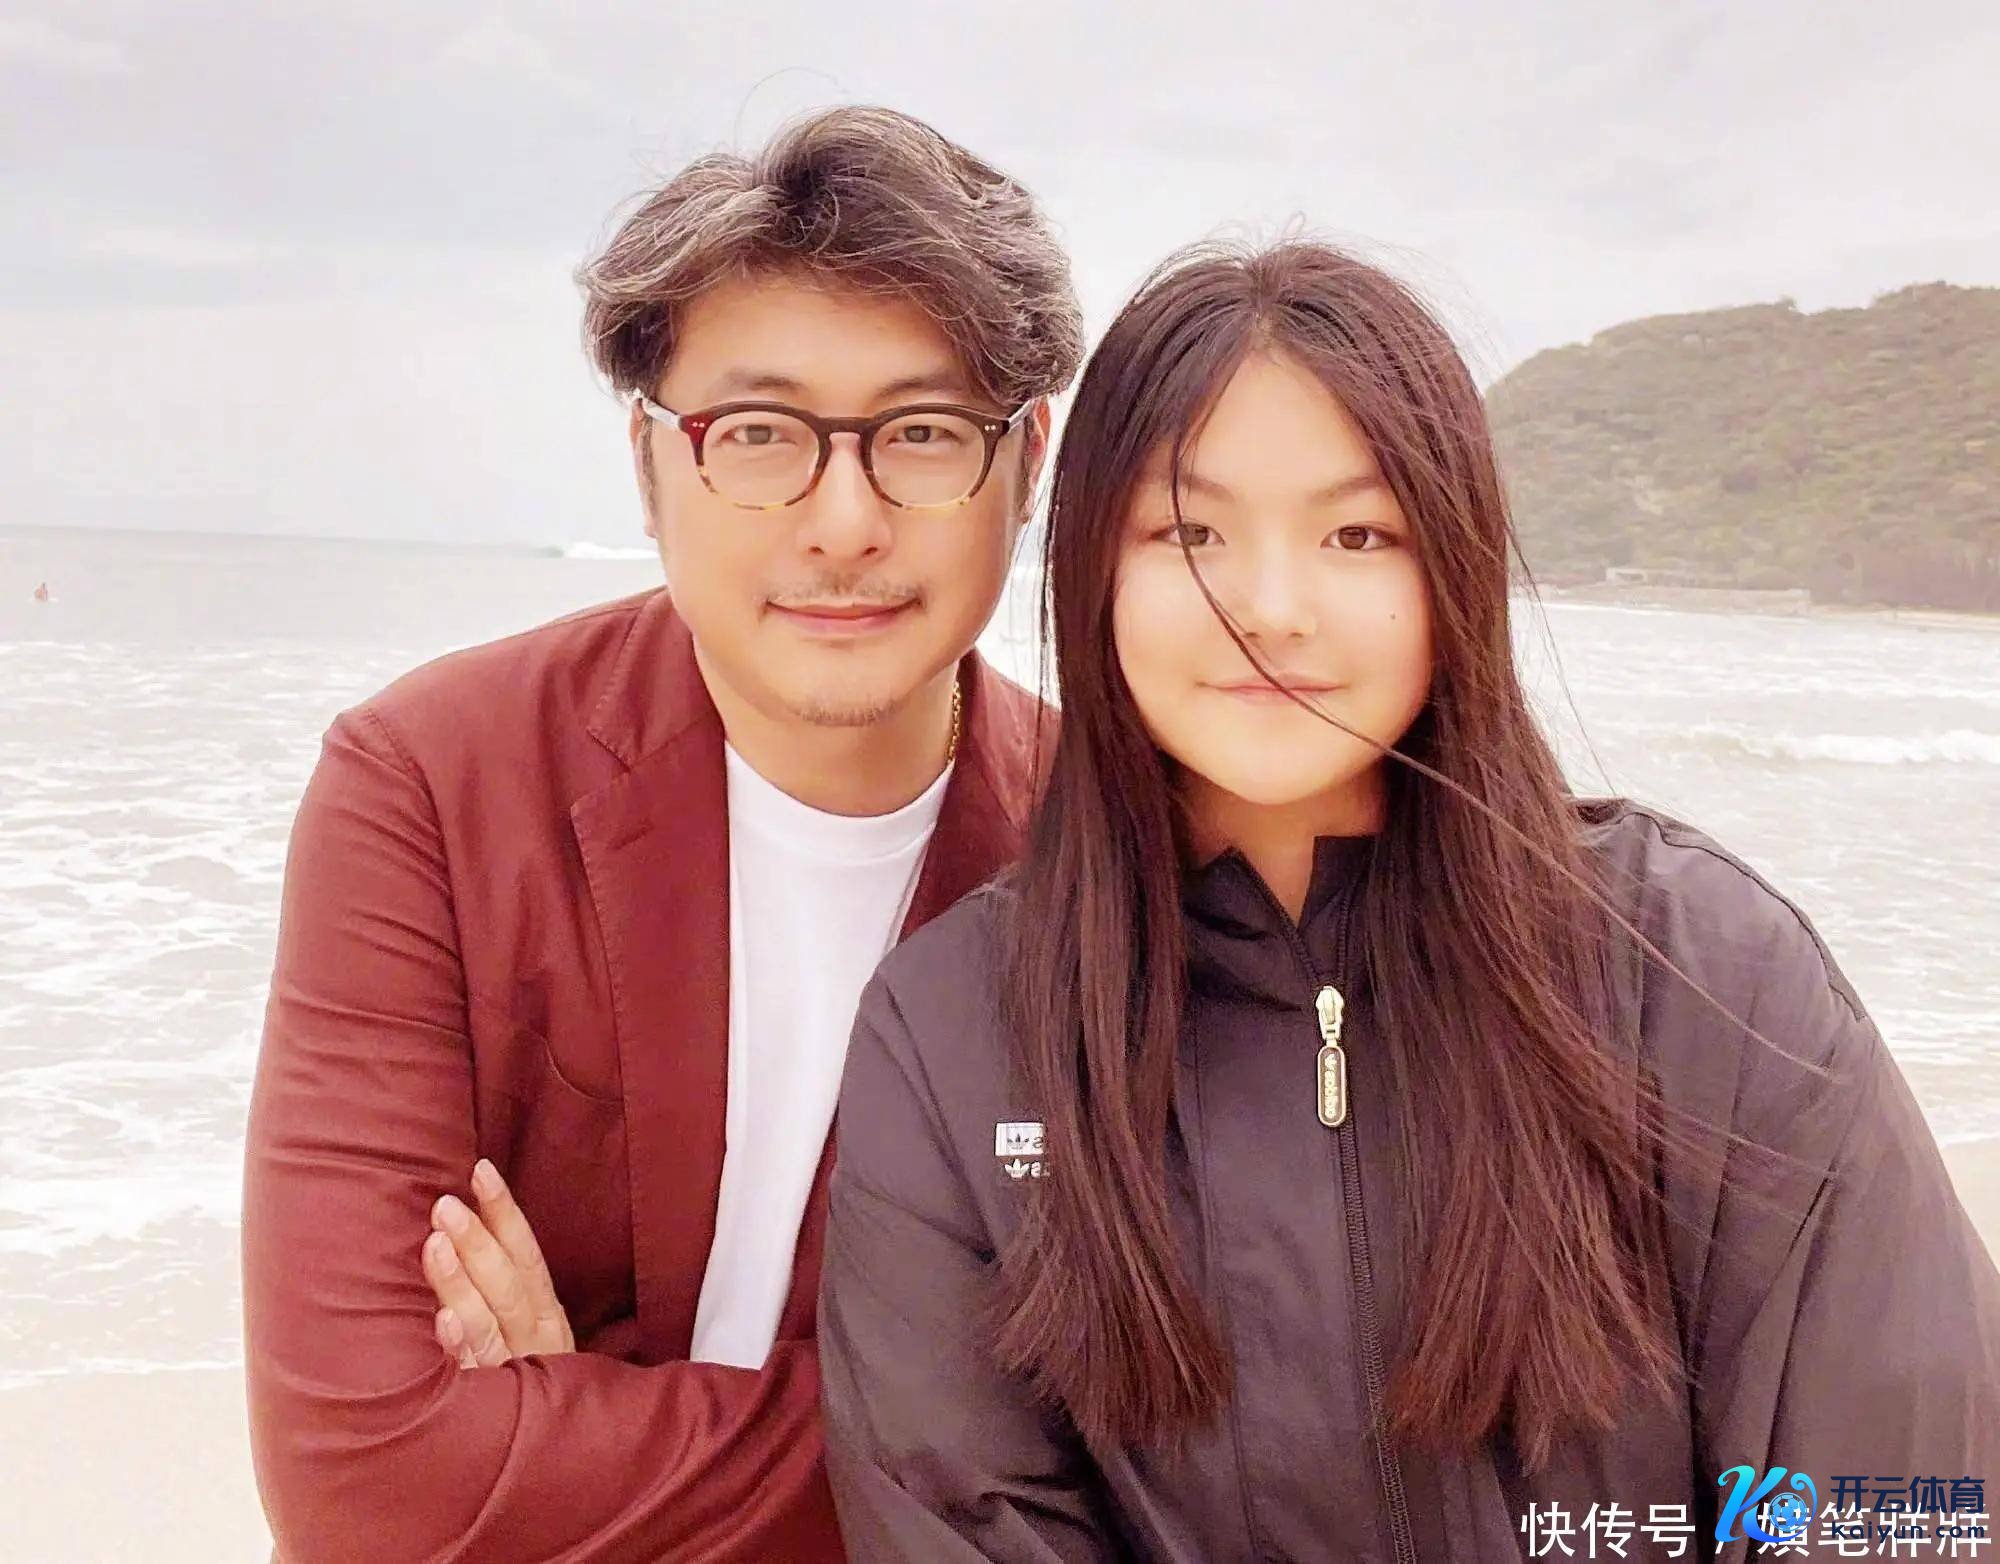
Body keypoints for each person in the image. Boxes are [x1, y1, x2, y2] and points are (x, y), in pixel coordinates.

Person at [817, 240, 2000, 1561]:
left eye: (1357, 534)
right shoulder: (957, 1033)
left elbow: (1890, 1500)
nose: (1272, 608)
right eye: (1190, 532)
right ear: (1094, 568)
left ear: (1453, 568)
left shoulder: (1699, 969)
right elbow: (956, 1515)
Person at [241, 106, 1081, 1562]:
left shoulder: (1113, 857)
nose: (843, 522)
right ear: (649, 466)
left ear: (1028, 466)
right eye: (756, 436)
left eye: (923, 434)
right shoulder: (429, 785)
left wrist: (563, 1413)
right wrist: (923, 1444)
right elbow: (360, 1473)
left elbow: (1134, 1440)